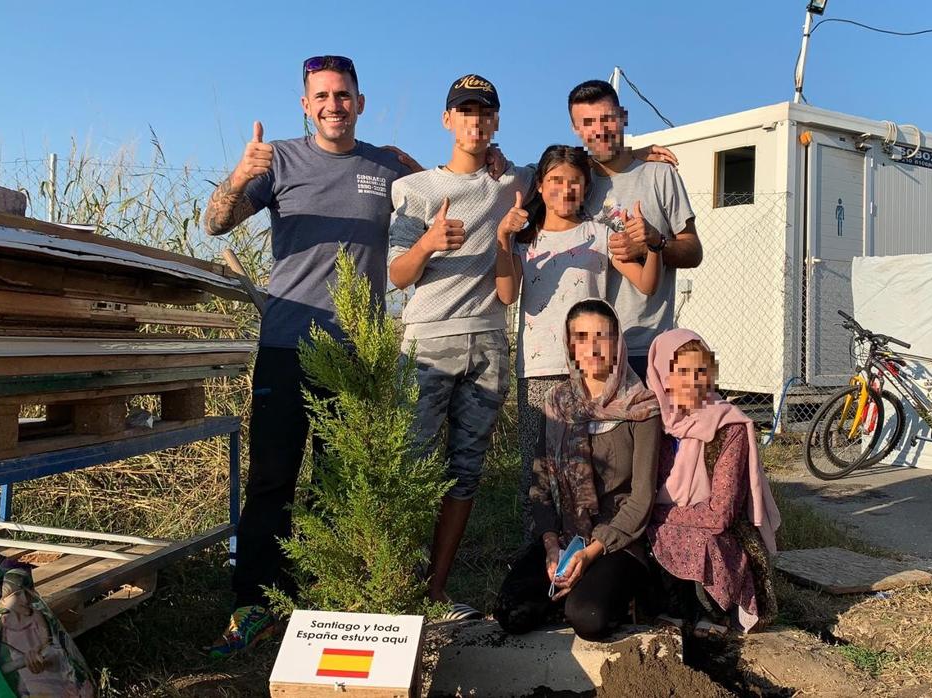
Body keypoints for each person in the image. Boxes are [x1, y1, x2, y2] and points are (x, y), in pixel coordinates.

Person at [202, 55, 439, 656]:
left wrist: (484, 163)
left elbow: (450, 186)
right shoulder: (278, 160)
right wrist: (237, 177)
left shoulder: (388, 166)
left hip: (357, 351)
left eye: (344, 95)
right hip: (287, 346)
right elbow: (214, 224)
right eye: (323, 96)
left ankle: (330, 603)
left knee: (345, 481)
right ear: (306, 106)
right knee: (272, 479)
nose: (334, 105)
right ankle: (254, 606)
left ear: (360, 102)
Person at [388, 74, 532, 620]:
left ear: (495, 121)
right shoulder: (418, 189)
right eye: (465, 111)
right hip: (427, 343)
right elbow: (397, 275)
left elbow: (577, 166)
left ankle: (436, 590)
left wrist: (640, 152)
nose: (475, 121)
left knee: (465, 471)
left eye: (484, 112)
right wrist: (428, 242)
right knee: (412, 467)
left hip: (489, 343)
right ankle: (397, 586)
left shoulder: (513, 180)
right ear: (447, 119)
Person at [497, 144, 661, 536]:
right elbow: (506, 293)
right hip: (539, 370)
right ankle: (540, 549)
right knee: (539, 472)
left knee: (589, 468)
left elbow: (646, 283)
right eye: (555, 180)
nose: (565, 189)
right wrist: (503, 237)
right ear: (540, 185)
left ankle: (589, 546)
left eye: (575, 182)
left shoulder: (600, 235)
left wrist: (653, 245)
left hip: (592, 371)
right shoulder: (525, 241)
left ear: (586, 188)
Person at [494, 299, 662, 640]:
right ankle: (568, 589)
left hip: (617, 540)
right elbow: (541, 485)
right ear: (570, 346)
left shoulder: (642, 408)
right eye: (582, 337)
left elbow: (642, 498)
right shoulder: (557, 403)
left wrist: (590, 553)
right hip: (565, 538)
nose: (593, 348)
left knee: (588, 619)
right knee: (511, 612)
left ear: (617, 343)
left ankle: (614, 590)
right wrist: (551, 546)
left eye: (602, 336)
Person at [644, 329, 782, 634]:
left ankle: (714, 611)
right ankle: (676, 610)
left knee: (695, 537)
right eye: (682, 372)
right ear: (662, 376)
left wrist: (658, 513)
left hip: (721, 531)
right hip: (668, 521)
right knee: (646, 536)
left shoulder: (728, 425)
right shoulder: (653, 426)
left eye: (701, 371)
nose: (693, 382)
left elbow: (721, 513)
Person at [568, 80, 703, 380]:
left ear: (623, 117)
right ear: (576, 129)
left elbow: (693, 251)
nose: (599, 130)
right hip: (586, 350)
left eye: (607, 118)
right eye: (588, 122)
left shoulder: (660, 175)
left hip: (647, 347)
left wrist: (652, 245)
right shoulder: (572, 184)